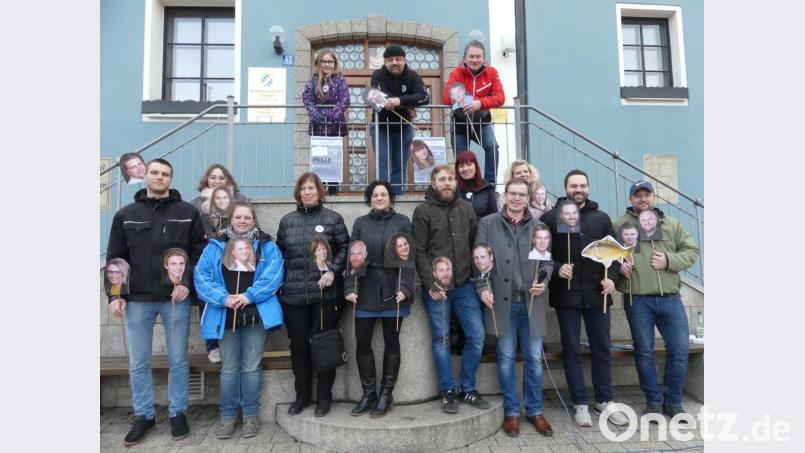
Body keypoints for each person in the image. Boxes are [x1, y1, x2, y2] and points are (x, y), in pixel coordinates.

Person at [105, 158, 207, 446]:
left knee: (178, 359)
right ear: (145, 176)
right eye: (155, 173)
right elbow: (116, 258)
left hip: (175, 298)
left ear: (171, 179)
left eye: (165, 174)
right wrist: (115, 295)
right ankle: (144, 416)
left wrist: (186, 283)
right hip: (137, 299)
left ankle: (177, 413)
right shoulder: (126, 214)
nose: (159, 177)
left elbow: (199, 254)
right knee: (138, 361)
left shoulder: (188, 212)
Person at [538, 169, 630, 428]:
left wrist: (612, 277)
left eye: (582, 186)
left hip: (597, 294)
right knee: (571, 350)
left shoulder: (601, 218)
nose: (578, 190)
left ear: (588, 188)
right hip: (566, 294)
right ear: (565, 188)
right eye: (573, 186)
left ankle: (605, 400)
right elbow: (540, 252)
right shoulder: (550, 217)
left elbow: (614, 254)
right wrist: (557, 267)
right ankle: (579, 403)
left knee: (601, 348)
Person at [194, 200, 285, 439]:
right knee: (229, 368)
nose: (242, 221)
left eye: (247, 217)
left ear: (253, 220)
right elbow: (201, 276)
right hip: (226, 314)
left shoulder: (267, 247)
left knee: (251, 367)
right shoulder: (215, 246)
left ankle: (250, 416)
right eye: (238, 217)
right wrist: (223, 298)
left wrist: (249, 295)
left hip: (254, 314)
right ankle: (227, 417)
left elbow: (274, 276)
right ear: (230, 219)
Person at [613, 181, 700, 421]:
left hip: (671, 298)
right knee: (644, 352)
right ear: (631, 199)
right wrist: (618, 267)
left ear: (654, 197)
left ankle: (673, 401)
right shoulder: (619, 224)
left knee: (680, 350)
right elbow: (607, 255)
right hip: (638, 299)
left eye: (646, 195)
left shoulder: (671, 224)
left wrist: (670, 260)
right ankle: (653, 401)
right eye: (637, 195)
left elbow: (692, 251)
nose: (643, 199)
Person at [475, 178, 555, 437]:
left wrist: (543, 281)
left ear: (528, 196)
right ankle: (511, 412)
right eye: (512, 194)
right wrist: (482, 287)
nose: (517, 199)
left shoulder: (539, 226)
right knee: (506, 359)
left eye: (522, 194)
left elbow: (548, 263)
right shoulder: (488, 223)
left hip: (531, 304)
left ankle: (534, 410)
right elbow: (479, 260)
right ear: (505, 195)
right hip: (502, 305)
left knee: (533, 359)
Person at [412, 165, 490, 414]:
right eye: (441, 179)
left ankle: (468, 387)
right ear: (433, 184)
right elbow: (419, 250)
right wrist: (430, 284)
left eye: (450, 179)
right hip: (438, 289)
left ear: (456, 183)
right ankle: (447, 391)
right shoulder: (423, 211)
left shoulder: (466, 209)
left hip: (466, 284)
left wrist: (481, 281)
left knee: (477, 337)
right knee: (441, 340)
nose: (447, 183)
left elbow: (475, 245)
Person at [276, 172, 349, 417]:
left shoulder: (333, 219)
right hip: (294, 297)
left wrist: (333, 271)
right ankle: (302, 395)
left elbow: (345, 249)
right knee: (299, 348)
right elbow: (280, 254)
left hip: (325, 297)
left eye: (311, 188)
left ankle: (324, 397)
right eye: (303, 189)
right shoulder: (287, 221)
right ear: (298, 193)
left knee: (325, 346)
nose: (307, 192)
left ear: (319, 191)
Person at [345, 180, 414, 418]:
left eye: (383, 194)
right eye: (375, 195)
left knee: (391, 341)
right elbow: (352, 257)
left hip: (393, 291)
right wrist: (349, 286)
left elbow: (408, 256)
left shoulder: (403, 221)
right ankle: (368, 393)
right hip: (364, 291)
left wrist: (405, 286)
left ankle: (386, 393)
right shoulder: (360, 223)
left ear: (391, 197)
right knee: (362, 341)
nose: (379, 198)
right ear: (369, 198)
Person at [189, 164, 246, 362]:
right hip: (207, 256)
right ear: (206, 180)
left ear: (228, 181)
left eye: (222, 178)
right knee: (209, 300)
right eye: (213, 177)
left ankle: (235, 342)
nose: (217, 181)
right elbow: (193, 230)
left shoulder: (239, 200)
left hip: (233, 258)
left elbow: (247, 223)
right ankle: (212, 345)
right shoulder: (195, 203)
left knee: (233, 297)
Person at [369, 45, 429, 195]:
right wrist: (407, 104)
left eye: (398, 59)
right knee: (382, 162)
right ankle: (382, 196)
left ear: (404, 60)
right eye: (390, 60)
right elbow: (377, 96)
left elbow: (424, 97)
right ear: (385, 62)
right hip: (381, 125)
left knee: (400, 163)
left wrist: (398, 101)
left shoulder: (413, 76)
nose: (394, 62)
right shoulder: (378, 75)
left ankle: (397, 196)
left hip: (404, 127)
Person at [443, 40, 504, 184]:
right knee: (463, 158)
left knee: (492, 147)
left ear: (484, 59)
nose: (475, 60)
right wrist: (480, 99)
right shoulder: (456, 73)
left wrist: (479, 103)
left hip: (482, 121)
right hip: (460, 122)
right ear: (464, 59)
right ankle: (464, 188)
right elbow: (447, 98)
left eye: (478, 57)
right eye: (471, 56)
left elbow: (500, 98)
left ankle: (489, 185)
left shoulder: (492, 72)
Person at [302, 48, 350, 196]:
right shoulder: (313, 80)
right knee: (320, 157)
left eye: (330, 61)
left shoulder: (340, 79)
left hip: (335, 125)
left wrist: (331, 116)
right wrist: (316, 115)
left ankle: (333, 190)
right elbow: (307, 97)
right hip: (318, 125)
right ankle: (320, 190)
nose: (327, 64)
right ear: (319, 63)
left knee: (334, 156)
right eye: (324, 61)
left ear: (334, 63)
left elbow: (345, 100)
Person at [456, 150, 498, 220]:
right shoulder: (452, 188)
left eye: (469, 164)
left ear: (476, 166)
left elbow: (494, 217)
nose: (465, 169)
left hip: (482, 230)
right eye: (461, 166)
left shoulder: (486, 188)